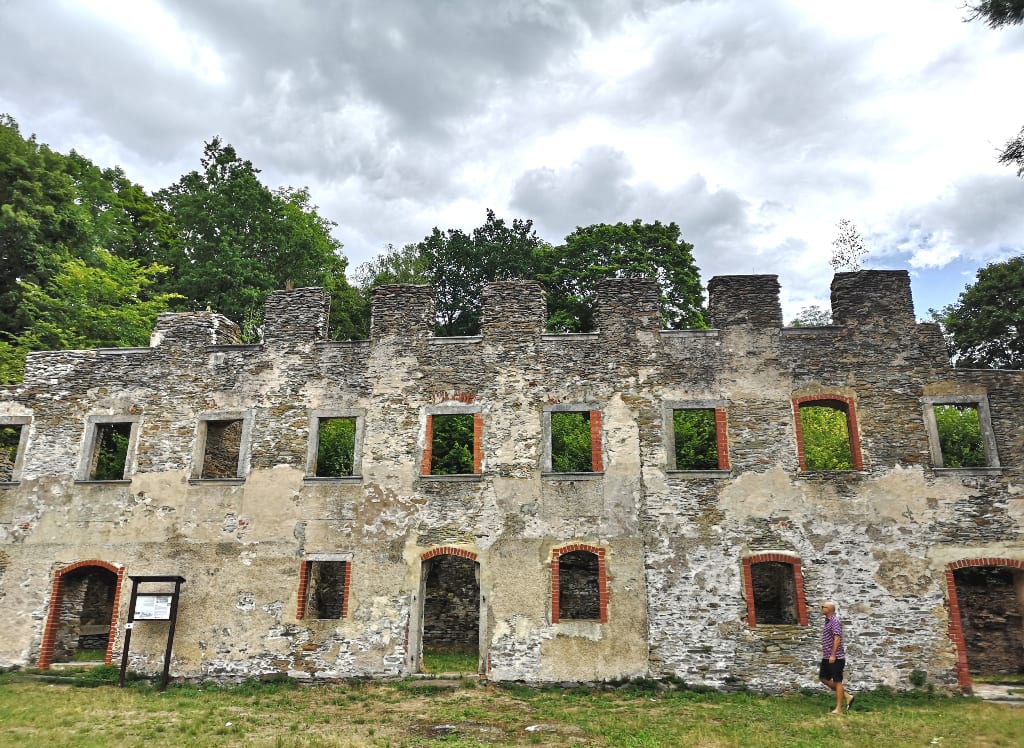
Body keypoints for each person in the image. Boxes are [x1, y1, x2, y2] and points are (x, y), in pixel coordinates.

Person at [819, 600, 854, 714]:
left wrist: (833, 654)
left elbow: (837, 638)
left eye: (822, 607)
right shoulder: (827, 621)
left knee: (837, 681)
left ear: (828, 609)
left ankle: (838, 709)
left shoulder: (834, 621)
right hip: (827, 656)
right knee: (823, 678)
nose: (821, 608)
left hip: (836, 657)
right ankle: (847, 696)